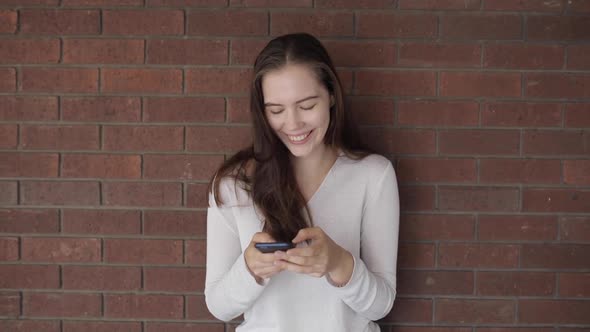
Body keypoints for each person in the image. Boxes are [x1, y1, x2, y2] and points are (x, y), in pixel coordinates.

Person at [205, 32, 400, 332]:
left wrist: (338, 263)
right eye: (276, 111)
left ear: (331, 96)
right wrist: (250, 270)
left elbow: (381, 304)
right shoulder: (234, 184)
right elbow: (219, 307)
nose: (293, 124)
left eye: (307, 106)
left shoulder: (373, 175)